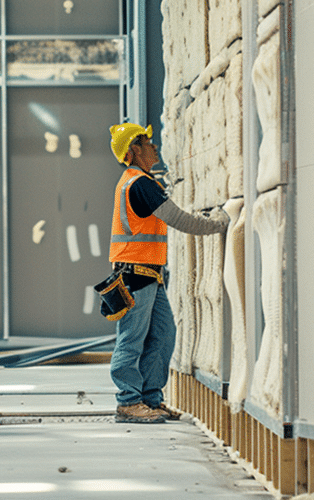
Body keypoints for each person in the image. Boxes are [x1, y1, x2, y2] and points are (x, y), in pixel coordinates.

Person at [105, 123, 229, 424]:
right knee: (132, 339)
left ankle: (150, 398)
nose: (155, 147)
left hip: (148, 274)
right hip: (135, 275)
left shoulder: (141, 181)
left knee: (163, 335)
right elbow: (177, 219)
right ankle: (128, 402)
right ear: (134, 150)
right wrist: (218, 222)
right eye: (148, 142)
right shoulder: (139, 184)